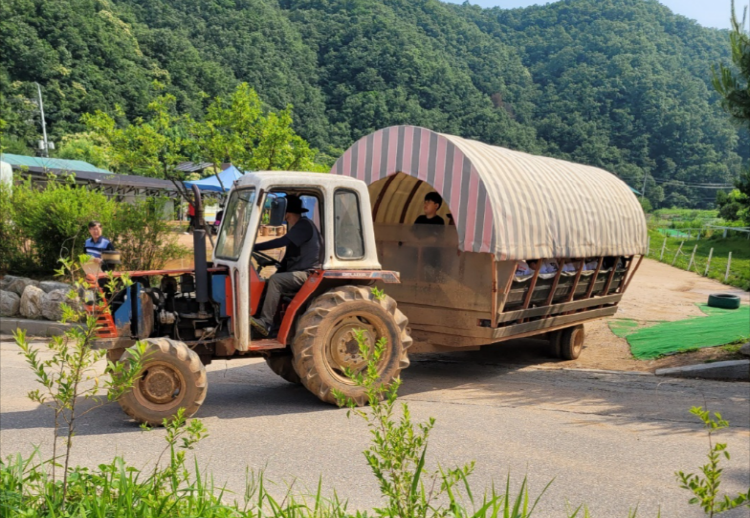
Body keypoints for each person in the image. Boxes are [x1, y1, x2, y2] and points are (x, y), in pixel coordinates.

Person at [250, 195, 322, 337]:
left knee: (276, 280)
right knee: (267, 281)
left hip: (308, 274)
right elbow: (288, 256)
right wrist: (274, 265)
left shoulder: (304, 225)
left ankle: (266, 322)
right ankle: (260, 321)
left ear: (287, 213)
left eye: (285, 215)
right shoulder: (296, 229)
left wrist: (252, 246)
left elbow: (281, 242)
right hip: (299, 271)